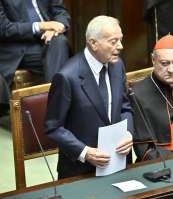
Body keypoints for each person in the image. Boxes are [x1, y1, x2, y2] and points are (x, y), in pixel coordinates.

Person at [44, 16, 134, 179]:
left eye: (120, 40)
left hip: (118, 163)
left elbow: (125, 107)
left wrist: (128, 134)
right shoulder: (66, 77)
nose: (120, 46)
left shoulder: (117, 64)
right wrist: (85, 152)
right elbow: (53, 127)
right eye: (113, 42)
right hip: (81, 171)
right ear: (93, 43)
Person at [0, 0, 70, 115]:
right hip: (18, 47)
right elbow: (4, 28)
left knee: (59, 41)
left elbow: (60, 12)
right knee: (66, 61)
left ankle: (54, 107)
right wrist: (41, 26)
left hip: (49, 40)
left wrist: (58, 27)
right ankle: (58, 110)